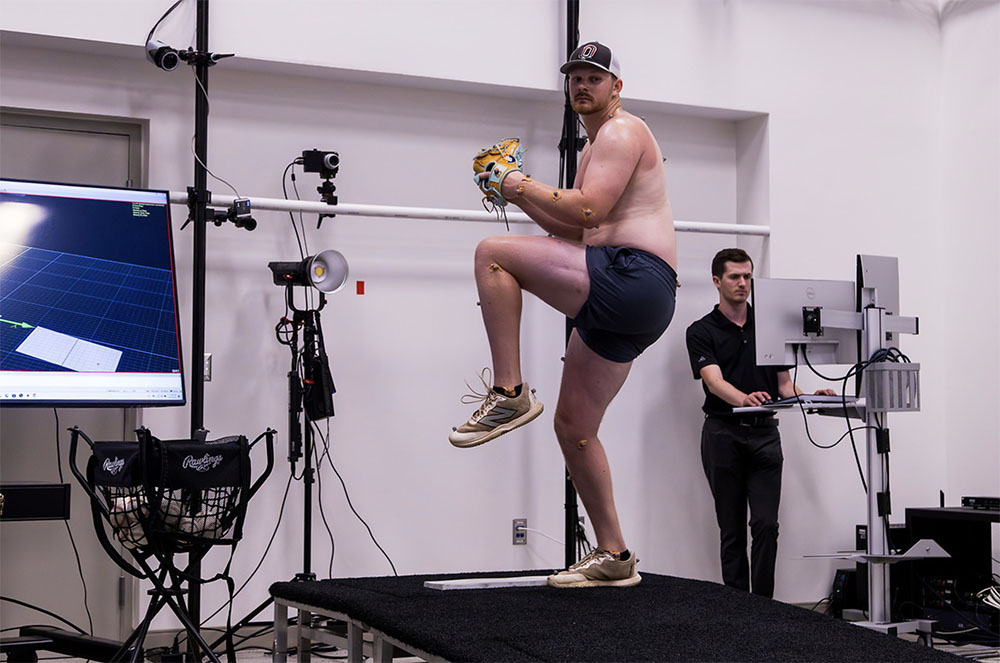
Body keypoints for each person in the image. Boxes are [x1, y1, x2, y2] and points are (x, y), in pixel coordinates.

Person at [449, 41, 677, 588]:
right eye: (574, 76)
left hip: (631, 275)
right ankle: (614, 556)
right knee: (574, 426)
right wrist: (517, 196)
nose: (581, 85)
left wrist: (514, 182)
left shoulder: (623, 131)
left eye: (593, 77)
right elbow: (576, 231)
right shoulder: (594, 147)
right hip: (628, 293)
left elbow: (591, 209)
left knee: (492, 253)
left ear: (615, 88)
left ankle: (509, 394)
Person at [685, 248, 834, 598]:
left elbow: (783, 385)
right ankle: (739, 608)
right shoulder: (701, 331)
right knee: (732, 529)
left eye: (748, 276)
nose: (742, 283)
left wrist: (813, 395)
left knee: (766, 525)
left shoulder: (769, 326)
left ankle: (764, 606)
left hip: (766, 437)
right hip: (723, 435)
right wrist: (744, 399)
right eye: (735, 277)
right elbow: (714, 382)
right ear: (717, 281)